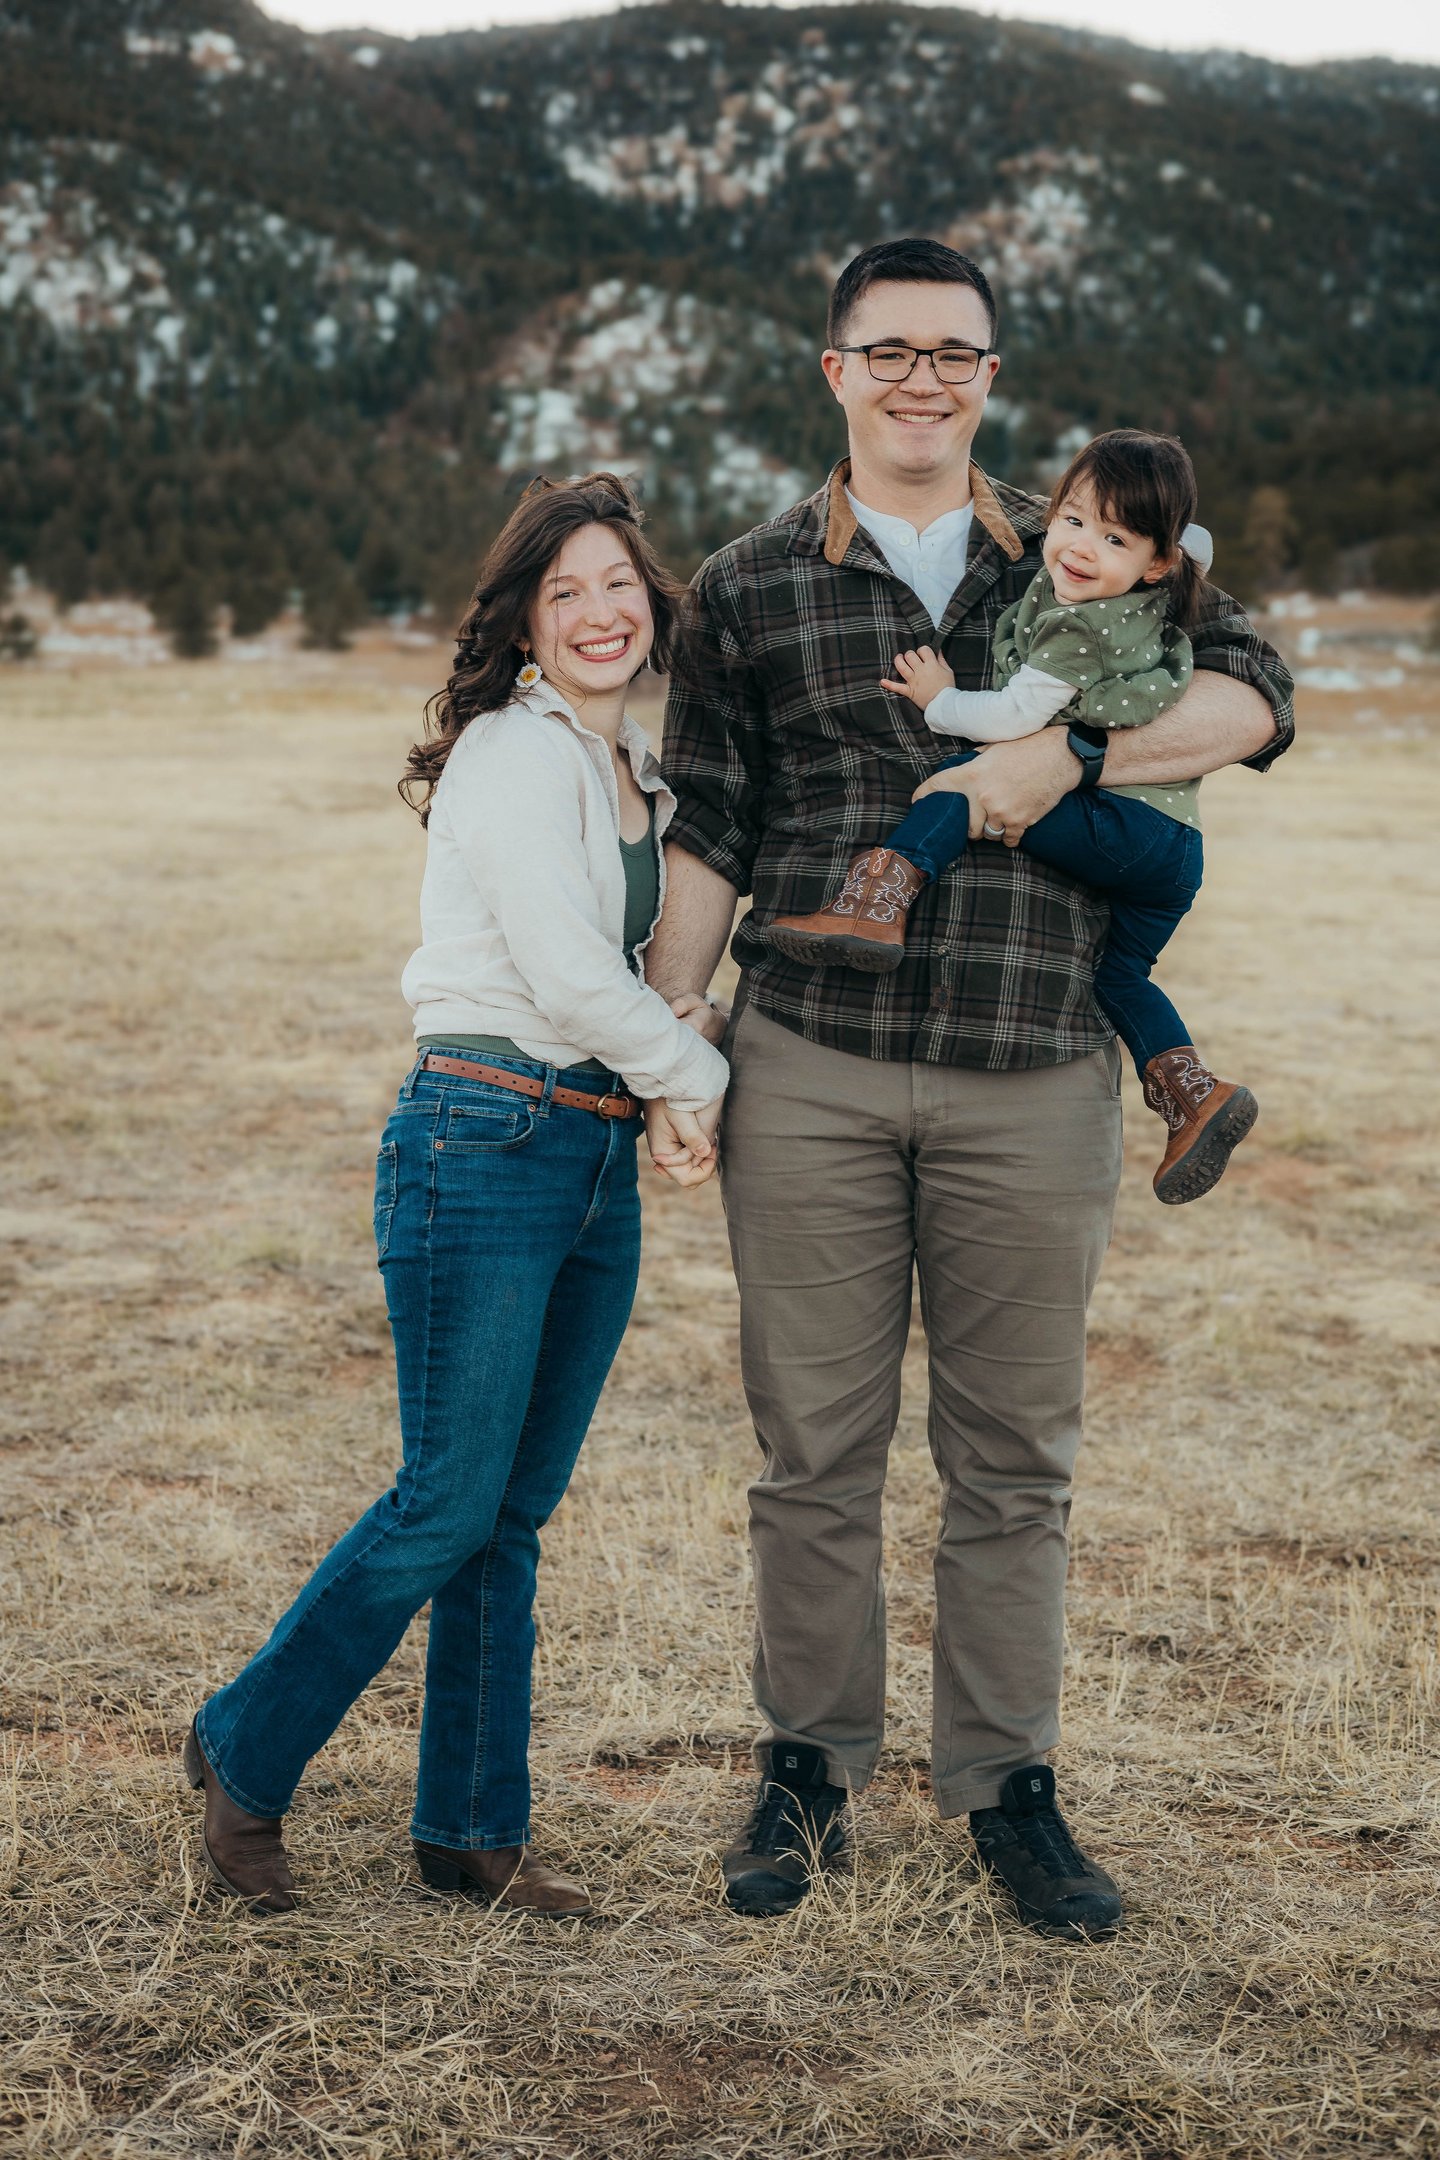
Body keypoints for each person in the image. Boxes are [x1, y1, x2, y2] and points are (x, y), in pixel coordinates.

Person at [646, 239, 1293, 1937]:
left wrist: (1060, 755)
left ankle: (1008, 1789)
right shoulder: (751, 580)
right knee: (815, 1452)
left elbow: (1254, 698)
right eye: (891, 349)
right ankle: (810, 1766)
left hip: (1033, 1065)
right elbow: (708, 822)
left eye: (958, 351)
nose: (923, 376)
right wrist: (669, 1046)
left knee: (1015, 1459)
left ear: (992, 377)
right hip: (810, 1063)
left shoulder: (1087, 539)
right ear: (835, 367)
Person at [183, 473, 727, 1918]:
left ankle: (472, 1832)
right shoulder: (506, 750)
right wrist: (696, 1081)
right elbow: (560, 974)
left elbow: (628, 979)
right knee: (444, 1503)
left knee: (511, 1513)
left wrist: (666, 1076)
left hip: (585, 1152)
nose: (602, 611)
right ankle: (245, 1751)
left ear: (651, 602)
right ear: (525, 626)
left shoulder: (636, 773)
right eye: (567, 594)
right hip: (480, 1140)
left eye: (621, 583)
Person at [765, 427, 1258, 1206]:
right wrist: (1143, 534)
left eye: (1114, 537)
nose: (1080, 548)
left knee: (964, 782)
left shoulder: (1077, 627)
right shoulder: (1153, 595)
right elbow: (1182, 535)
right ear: (1051, 510)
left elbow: (1008, 718)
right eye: (1070, 521)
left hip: (1127, 832)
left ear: (1157, 562)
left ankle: (878, 897)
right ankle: (1193, 1093)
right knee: (1121, 975)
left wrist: (938, 701)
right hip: (1173, 851)